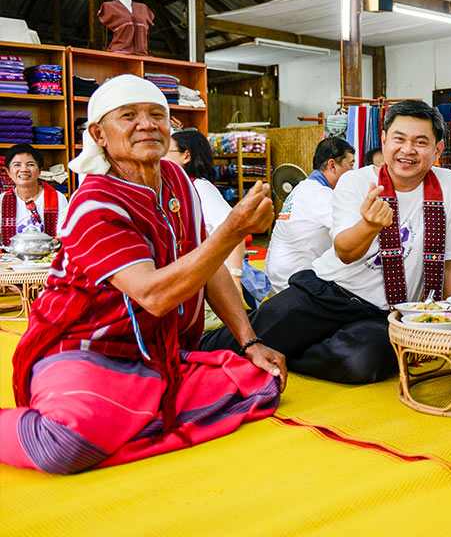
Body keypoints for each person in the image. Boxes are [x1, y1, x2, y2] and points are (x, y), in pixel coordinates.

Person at [0, 74, 286, 474]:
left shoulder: (178, 182)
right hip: (85, 351)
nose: (147, 124)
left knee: (262, 382)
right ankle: (122, 417)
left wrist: (249, 341)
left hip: (159, 351)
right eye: (129, 115)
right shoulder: (93, 202)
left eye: (156, 114)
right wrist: (232, 232)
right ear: (99, 133)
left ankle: (129, 418)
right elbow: (153, 295)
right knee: (61, 446)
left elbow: (208, 264)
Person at [201, 100, 451, 384]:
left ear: (438, 149)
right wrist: (369, 225)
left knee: (360, 362)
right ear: (384, 140)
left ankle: (287, 349)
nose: (407, 150)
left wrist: (445, 323)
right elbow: (345, 252)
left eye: (420, 142)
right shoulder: (356, 182)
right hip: (327, 291)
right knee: (243, 338)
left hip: (385, 313)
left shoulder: (449, 185)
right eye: (399, 139)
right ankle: (196, 349)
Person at [164, 129, 247, 300]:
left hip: (218, 281)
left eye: (166, 151)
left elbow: (235, 231)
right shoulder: (179, 188)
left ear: (186, 156)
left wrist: (235, 279)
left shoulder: (201, 188)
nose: (161, 157)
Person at [264, 137, 355, 293]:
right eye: (351, 165)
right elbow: (352, 232)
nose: (353, 172)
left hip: (276, 276)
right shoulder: (319, 194)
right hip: (291, 283)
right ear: (332, 165)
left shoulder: (303, 188)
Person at [1, 144, 69, 246]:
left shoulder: (58, 198)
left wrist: (39, 248)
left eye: (30, 164)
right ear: (8, 172)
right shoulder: (2, 201)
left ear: (40, 170)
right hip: (10, 259)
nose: (24, 169)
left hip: (47, 258)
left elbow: (63, 237)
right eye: (17, 165)